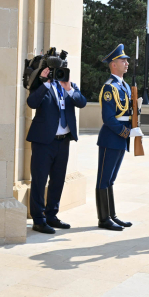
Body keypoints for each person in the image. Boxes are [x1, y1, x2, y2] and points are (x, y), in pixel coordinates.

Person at [26, 63, 87, 234]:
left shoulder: (69, 87)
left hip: (63, 141)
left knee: (58, 180)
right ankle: (38, 220)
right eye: (54, 71)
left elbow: (82, 102)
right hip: (43, 142)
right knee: (39, 180)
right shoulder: (42, 86)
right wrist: (45, 82)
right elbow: (32, 103)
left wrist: (68, 88)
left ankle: (52, 215)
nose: (58, 74)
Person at [95, 44, 134, 231]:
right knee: (103, 178)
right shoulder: (110, 88)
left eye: (126, 60)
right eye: (122, 60)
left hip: (120, 137)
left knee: (111, 179)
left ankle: (112, 215)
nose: (126, 63)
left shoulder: (124, 85)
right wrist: (125, 132)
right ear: (113, 65)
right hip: (111, 138)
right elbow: (108, 118)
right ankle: (103, 219)